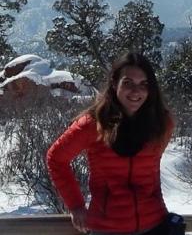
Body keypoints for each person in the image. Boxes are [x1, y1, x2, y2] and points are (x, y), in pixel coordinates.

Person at [46, 52, 175, 235]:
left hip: (154, 224)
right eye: (128, 83)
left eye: (143, 84)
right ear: (115, 84)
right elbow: (56, 158)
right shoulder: (93, 124)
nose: (136, 91)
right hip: (107, 228)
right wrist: (75, 205)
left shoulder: (162, 123)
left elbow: (152, 170)